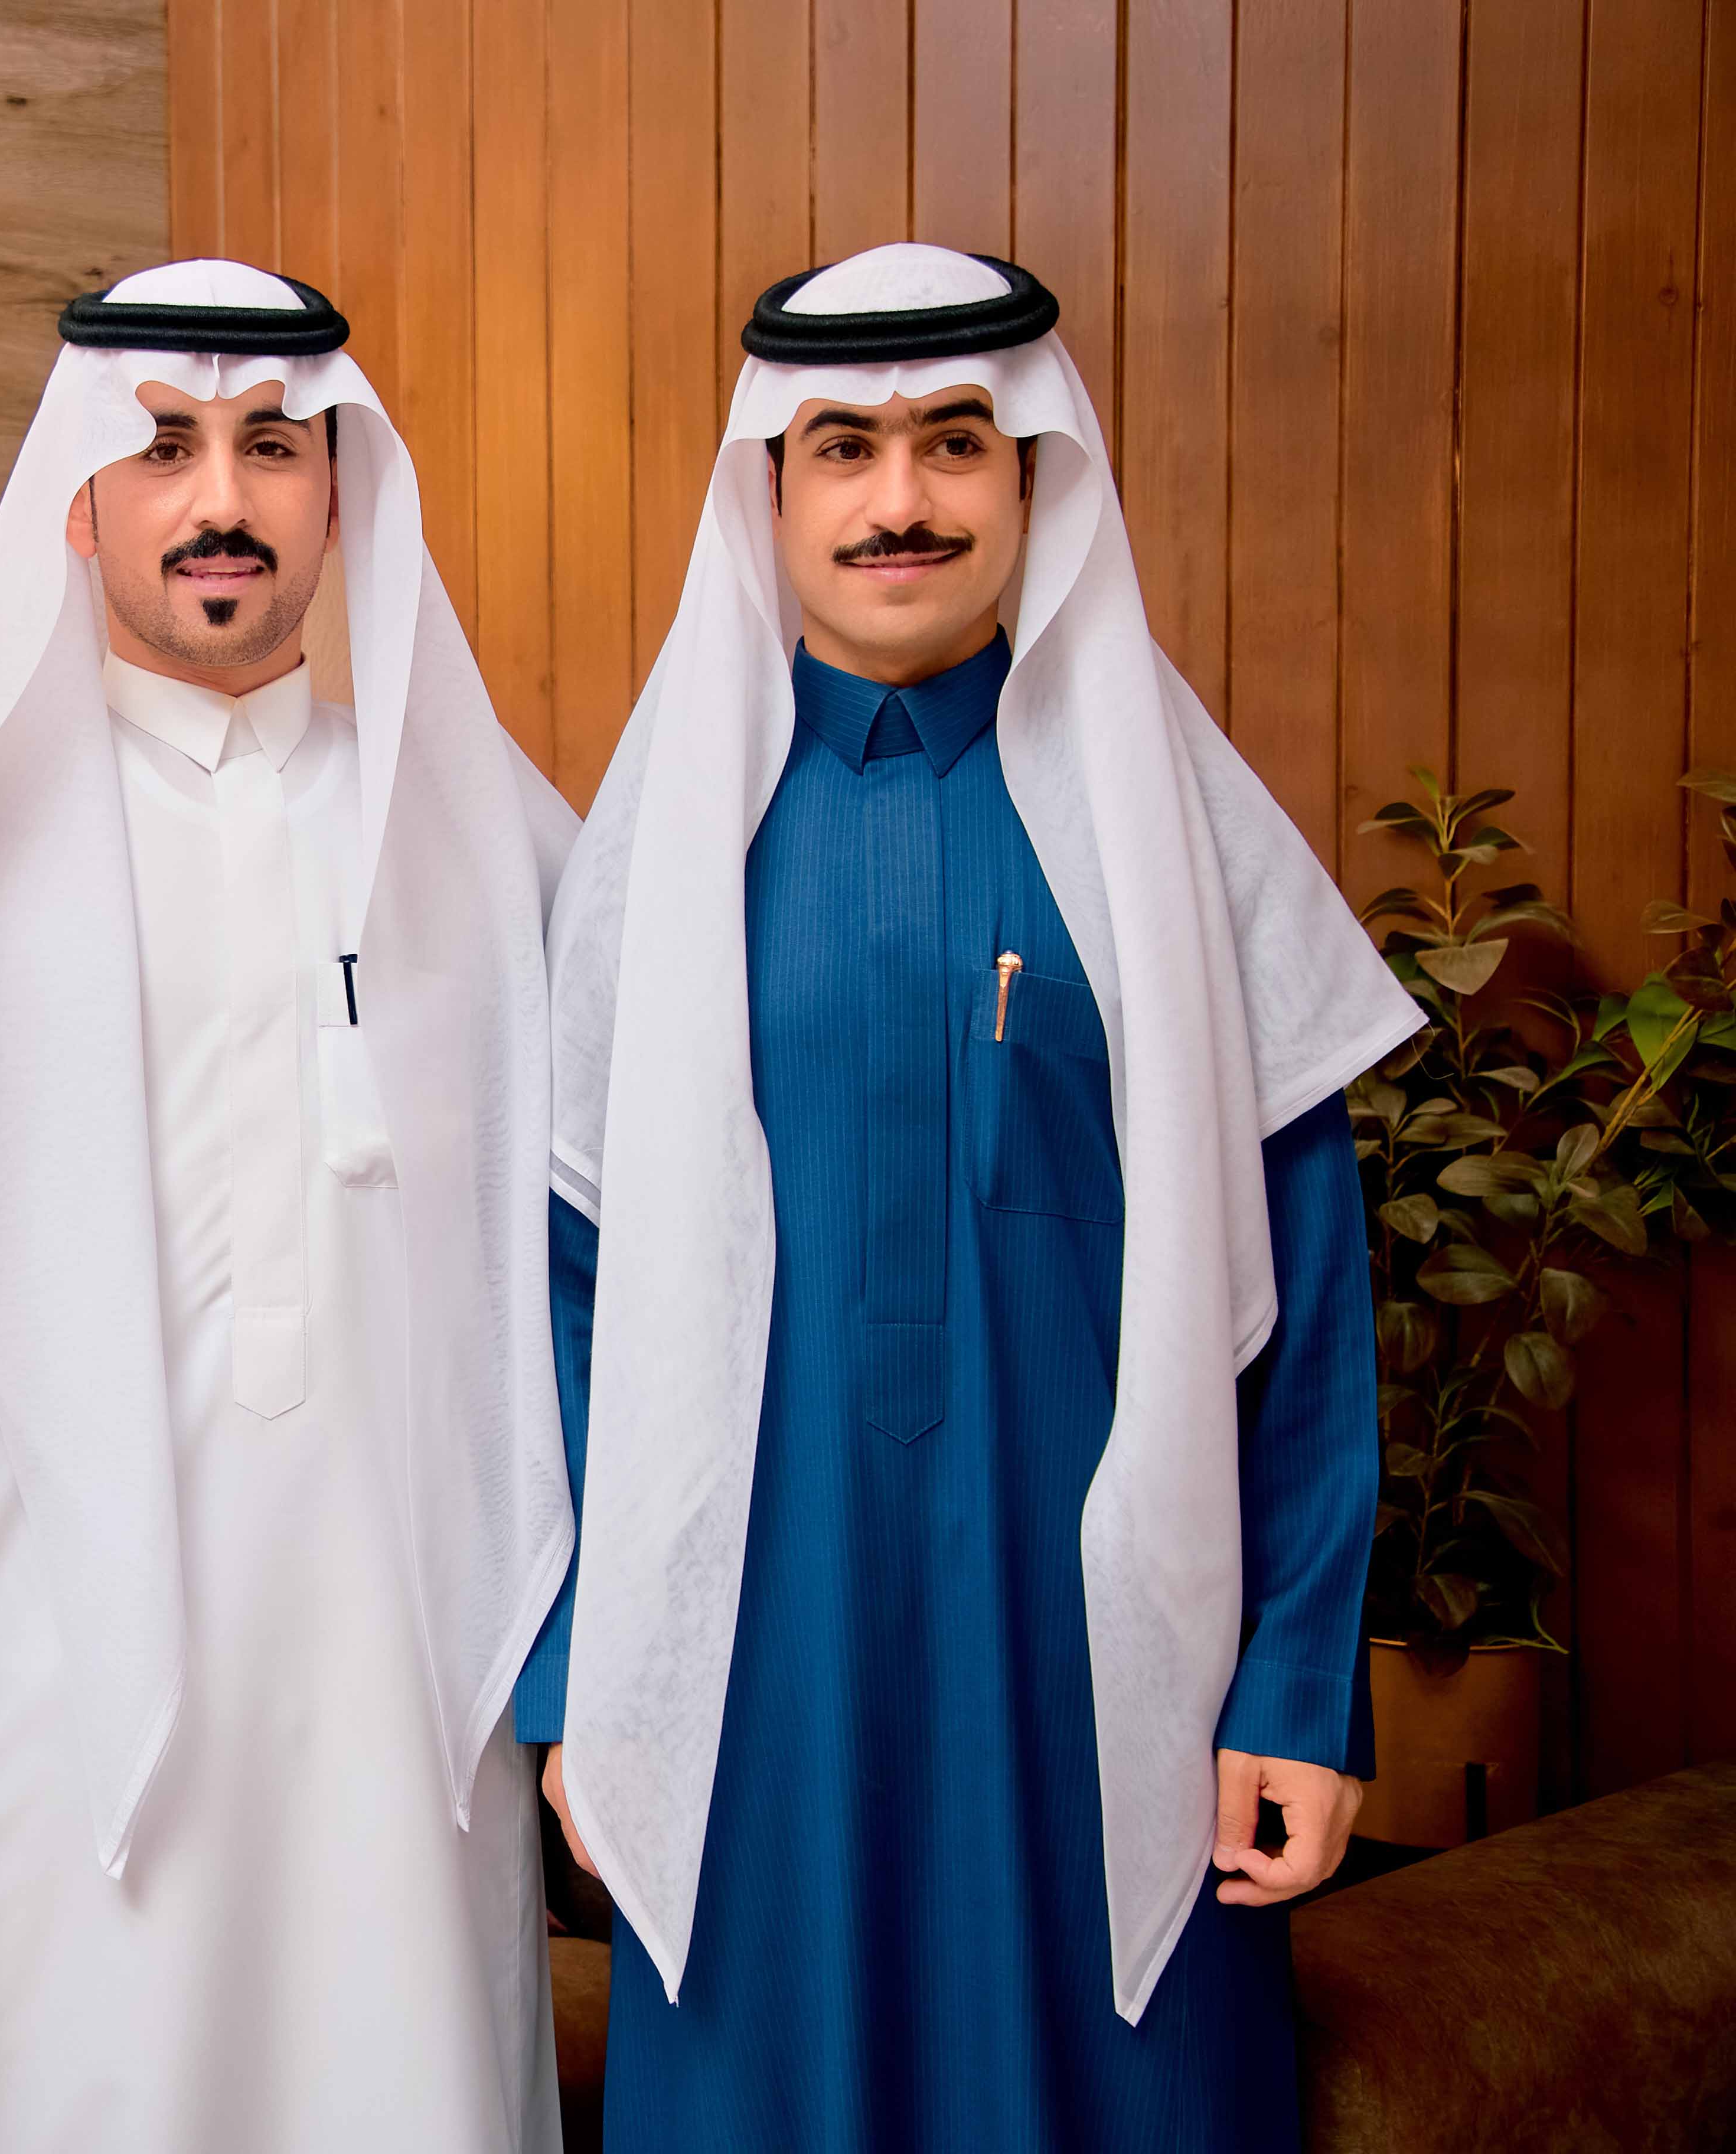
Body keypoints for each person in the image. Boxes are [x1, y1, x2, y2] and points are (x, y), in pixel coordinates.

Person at [527, 243, 1417, 2150]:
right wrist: (582, 1678)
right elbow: (566, 1304)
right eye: (843, 448)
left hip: (1109, 1681)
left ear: (1034, 479)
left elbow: (1307, 1300)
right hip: (750, 1672)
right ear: (772, 491)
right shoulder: (668, 849)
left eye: (953, 441)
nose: (900, 500)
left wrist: (1297, 1686)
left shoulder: (1172, 827)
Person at [0, 261, 576, 2152]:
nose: (220, 499)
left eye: (271, 447)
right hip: (35, 1640)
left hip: (388, 1644)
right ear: (78, 498)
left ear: (342, 493)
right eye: (161, 448)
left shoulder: (484, 831)